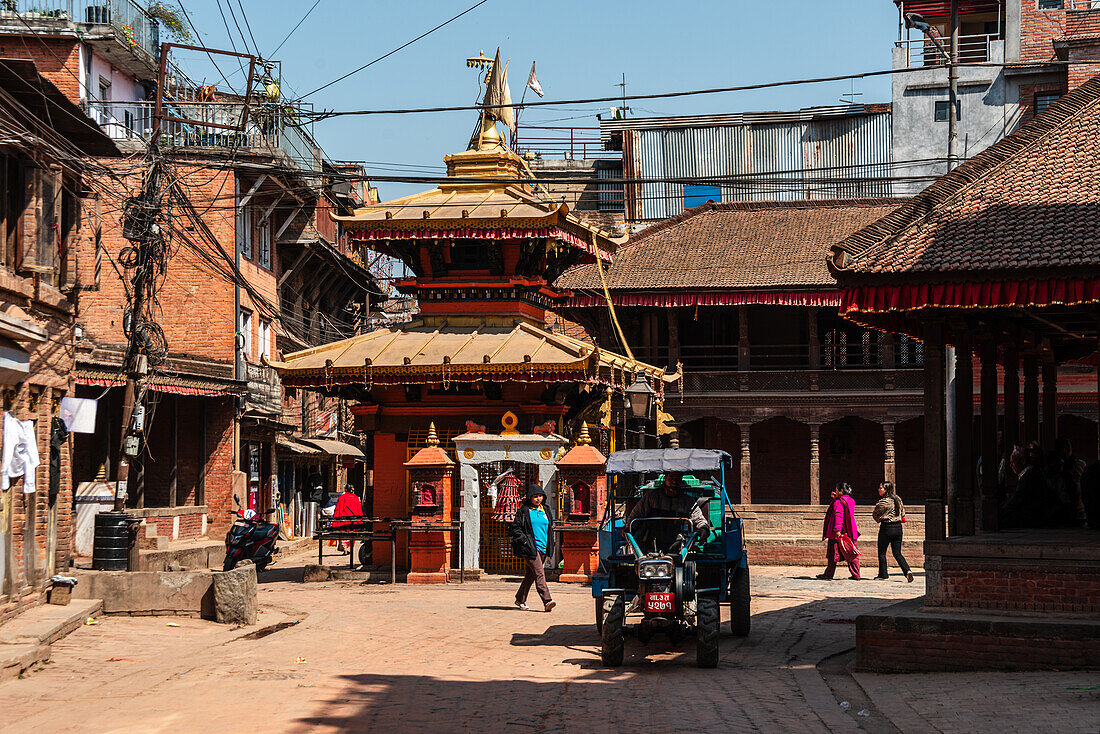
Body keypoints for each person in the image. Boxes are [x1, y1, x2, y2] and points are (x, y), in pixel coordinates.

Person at [621, 472, 710, 549]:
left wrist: (704, 529)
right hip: (652, 541)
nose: (674, 481)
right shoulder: (651, 497)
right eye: (671, 478)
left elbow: (699, 518)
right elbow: (636, 514)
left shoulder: (687, 501)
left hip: (679, 543)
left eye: (677, 478)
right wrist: (629, 528)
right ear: (665, 479)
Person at [509, 485, 556, 612]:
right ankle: (547, 600)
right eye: (535, 497)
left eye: (540, 496)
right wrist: (524, 541)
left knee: (531, 575)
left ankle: (520, 599)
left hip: (543, 547)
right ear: (530, 498)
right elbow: (516, 528)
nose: (538, 499)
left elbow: (549, 528)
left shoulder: (545, 509)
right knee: (540, 573)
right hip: (529, 548)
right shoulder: (524, 511)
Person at [872, 481, 913, 582]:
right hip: (898, 527)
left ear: (886, 490)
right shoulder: (898, 499)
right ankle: (907, 570)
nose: (879, 489)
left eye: (881, 488)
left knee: (882, 552)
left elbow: (875, 515)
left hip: (887, 527)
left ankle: (883, 574)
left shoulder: (883, 502)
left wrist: (879, 518)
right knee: (897, 553)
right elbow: (903, 513)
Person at [819, 482, 860, 580]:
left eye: (837, 490)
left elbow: (839, 515)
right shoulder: (851, 500)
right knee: (852, 552)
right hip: (851, 531)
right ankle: (856, 574)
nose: (835, 491)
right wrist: (836, 498)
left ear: (841, 491)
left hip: (840, 532)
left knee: (833, 554)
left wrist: (837, 530)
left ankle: (829, 574)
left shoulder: (839, 502)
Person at [333, 484, 365, 553]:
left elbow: (338, 509)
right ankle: (347, 547)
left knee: (343, 534)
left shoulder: (342, 498)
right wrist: (360, 521)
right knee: (351, 535)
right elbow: (359, 510)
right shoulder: (356, 498)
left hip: (344, 520)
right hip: (353, 521)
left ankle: (344, 547)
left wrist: (335, 520)